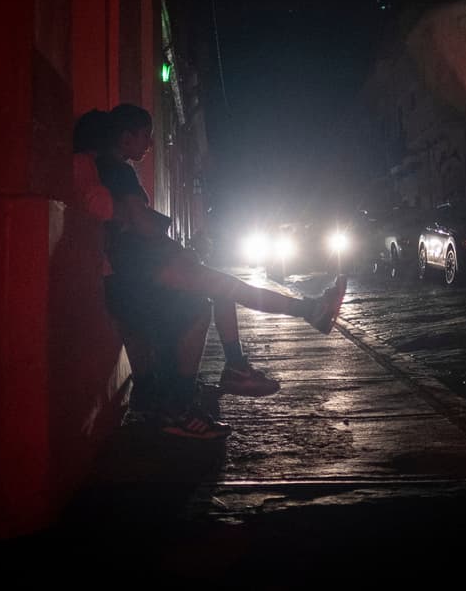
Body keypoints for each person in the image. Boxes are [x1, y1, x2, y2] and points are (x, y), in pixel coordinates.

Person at [75, 106, 347, 439]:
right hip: (143, 263)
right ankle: (196, 394)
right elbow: (141, 224)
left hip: (133, 268)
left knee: (221, 288)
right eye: (145, 134)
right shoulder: (117, 170)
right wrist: (166, 226)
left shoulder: (103, 169)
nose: (148, 142)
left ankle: (241, 361)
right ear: (124, 136)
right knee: (218, 291)